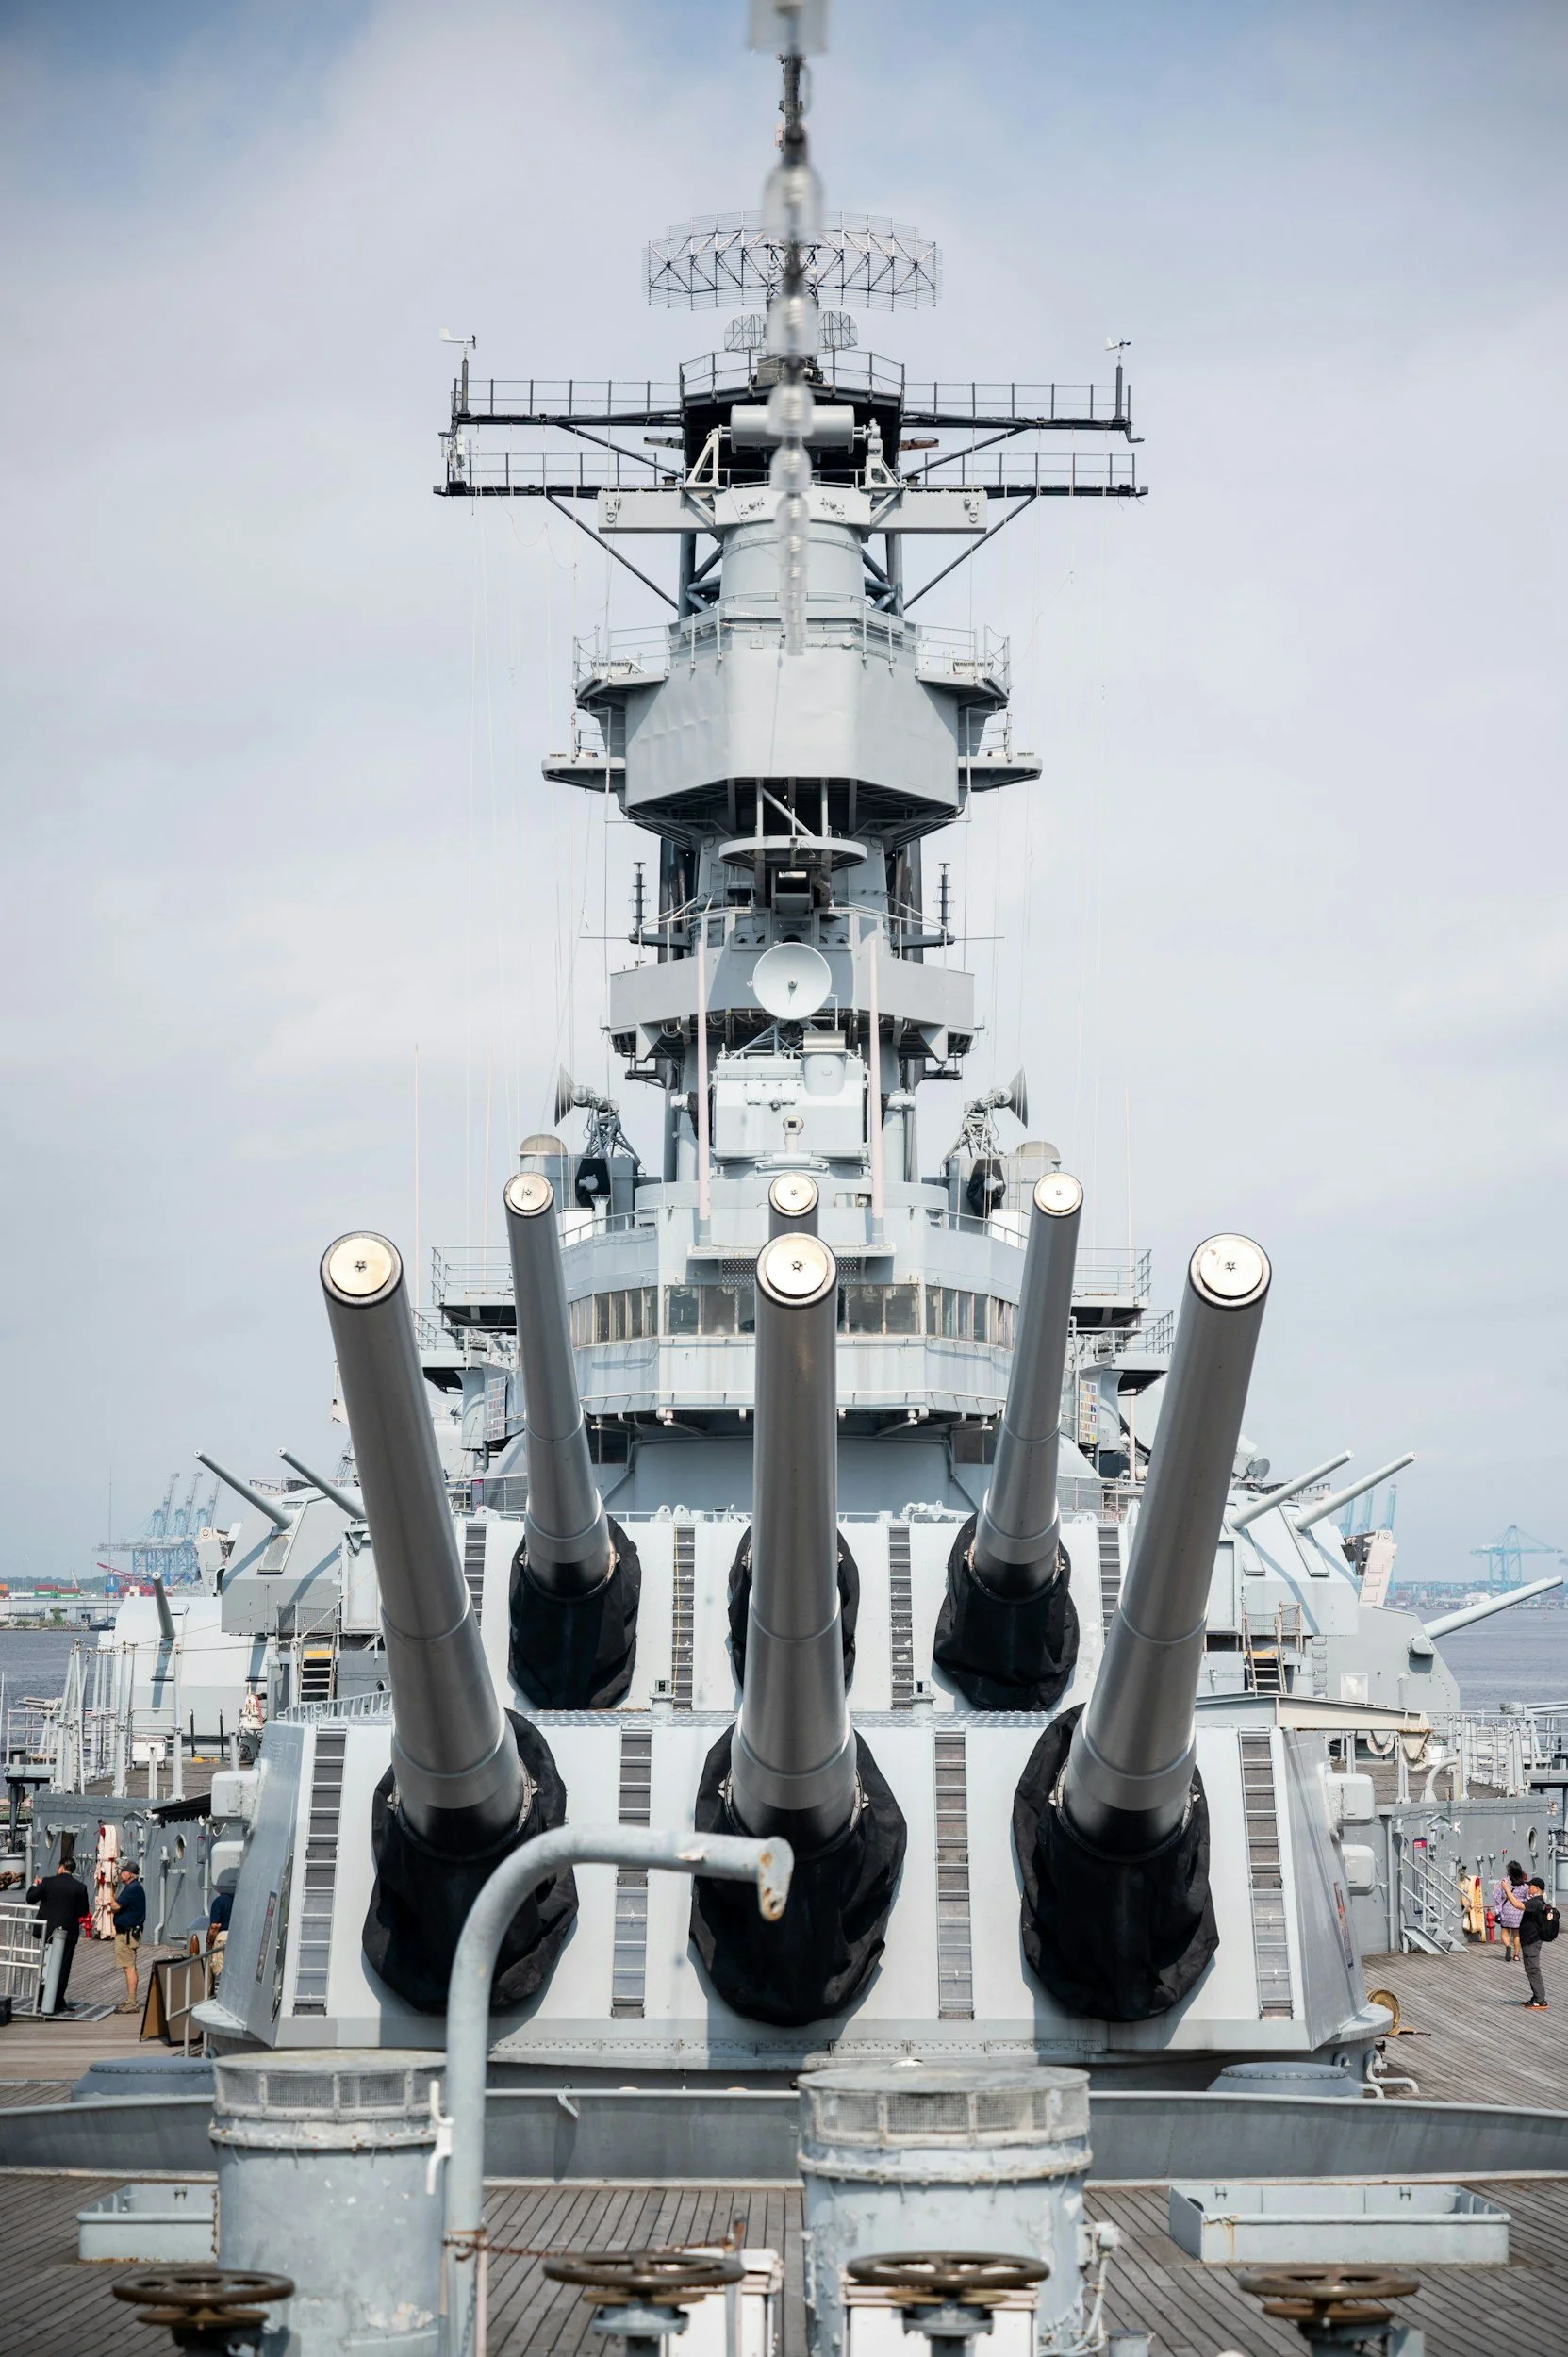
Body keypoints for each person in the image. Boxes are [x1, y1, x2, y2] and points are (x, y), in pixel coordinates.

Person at [25, 1856, 91, 2014]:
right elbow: (83, 1911)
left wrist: (35, 1884)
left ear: (61, 1867)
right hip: (68, 1932)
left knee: (46, 1964)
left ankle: (42, 1999)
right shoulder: (80, 1887)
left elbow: (30, 1899)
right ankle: (58, 2000)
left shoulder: (48, 1882)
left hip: (47, 1931)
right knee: (63, 1967)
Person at [111, 1859, 147, 2014]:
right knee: (129, 1966)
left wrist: (110, 1894)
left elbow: (115, 1906)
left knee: (129, 1967)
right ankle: (131, 2000)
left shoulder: (132, 1888)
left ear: (130, 1874)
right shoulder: (133, 1888)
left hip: (127, 1934)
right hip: (127, 1932)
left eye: (123, 1871)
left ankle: (132, 2002)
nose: (121, 1873)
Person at [1518, 1874, 1559, 2010]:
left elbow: (1518, 1905)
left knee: (1533, 1970)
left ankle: (1541, 2000)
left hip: (1532, 1941)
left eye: (1531, 1886)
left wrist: (1506, 1890)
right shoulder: (1537, 1902)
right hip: (1530, 1941)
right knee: (1530, 1969)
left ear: (1536, 1888)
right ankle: (1536, 1997)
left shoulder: (1536, 1902)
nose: (1529, 1888)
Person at [1494, 1859, 1528, 1961]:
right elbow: (1527, 1899)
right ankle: (1516, 1955)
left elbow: (1497, 1895)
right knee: (1517, 1934)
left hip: (1506, 1911)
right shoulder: (1524, 1886)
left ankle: (1508, 1946)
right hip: (1519, 1913)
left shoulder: (1504, 1882)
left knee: (1505, 1931)